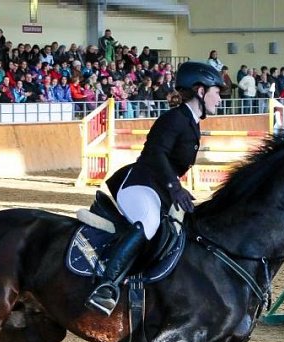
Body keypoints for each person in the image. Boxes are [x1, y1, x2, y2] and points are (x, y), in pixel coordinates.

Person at [85, 61, 224, 315]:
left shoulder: (191, 122)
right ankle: (106, 285)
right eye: (217, 92)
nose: (220, 99)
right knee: (149, 222)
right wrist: (175, 187)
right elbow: (155, 153)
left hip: (159, 191)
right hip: (139, 184)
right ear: (200, 91)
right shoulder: (174, 119)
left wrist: (176, 189)